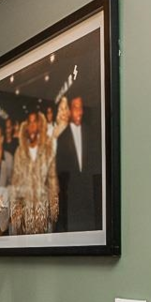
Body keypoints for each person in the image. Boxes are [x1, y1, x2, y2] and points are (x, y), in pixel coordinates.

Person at [55, 95, 102, 231]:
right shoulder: (62, 138)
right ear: (70, 110)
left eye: (81, 108)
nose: (79, 112)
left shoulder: (91, 133)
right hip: (71, 197)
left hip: (89, 193)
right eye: (76, 107)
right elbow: (60, 171)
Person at [10, 113, 59, 235]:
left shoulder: (47, 150)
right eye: (29, 123)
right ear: (26, 126)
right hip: (24, 216)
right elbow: (15, 184)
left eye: (34, 122)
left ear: (39, 125)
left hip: (43, 213)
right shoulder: (19, 152)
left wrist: (53, 214)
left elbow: (52, 180)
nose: (32, 126)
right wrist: (16, 214)